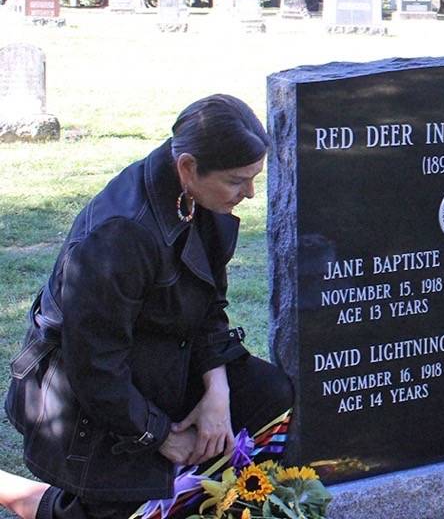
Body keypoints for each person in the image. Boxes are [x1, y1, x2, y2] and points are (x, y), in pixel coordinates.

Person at [2, 94, 294, 519]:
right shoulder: (119, 235)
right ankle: (15, 491)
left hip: (162, 357)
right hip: (85, 393)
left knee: (270, 395)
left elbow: (208, 302)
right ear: (189, 167)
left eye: (254, 178)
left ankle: (203, 501)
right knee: (125, 509)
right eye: (237, 180)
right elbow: (95, 366)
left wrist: (218, 391)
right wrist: (160, 437)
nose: (249, 193)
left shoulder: (197, 196)